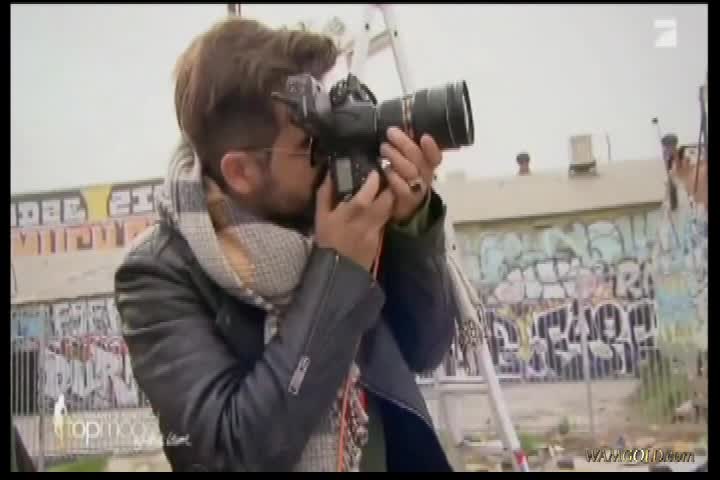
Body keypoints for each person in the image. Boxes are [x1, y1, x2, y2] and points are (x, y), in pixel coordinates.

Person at [114, 17, 457, 472]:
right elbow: (226, 454)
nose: (335, 149)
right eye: (313, 142)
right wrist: (337, 275)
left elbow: (426, 348)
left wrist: (412, 225)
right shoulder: (159, 274)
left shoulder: (336, 211)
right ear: (241, 172)